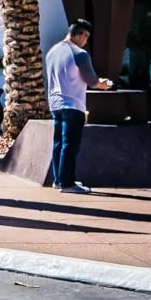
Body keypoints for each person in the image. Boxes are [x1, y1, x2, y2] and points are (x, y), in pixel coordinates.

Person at [45, 18, 112, 194]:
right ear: (80, 35)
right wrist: (104, 84)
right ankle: (67, 183)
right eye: (86, 37)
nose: (86, 41)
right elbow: (92, 81)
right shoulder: (80, 54)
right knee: (70, 145)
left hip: (55, 104)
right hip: (73, 104)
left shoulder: (52, 52)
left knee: (59, 143)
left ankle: (58, 180)